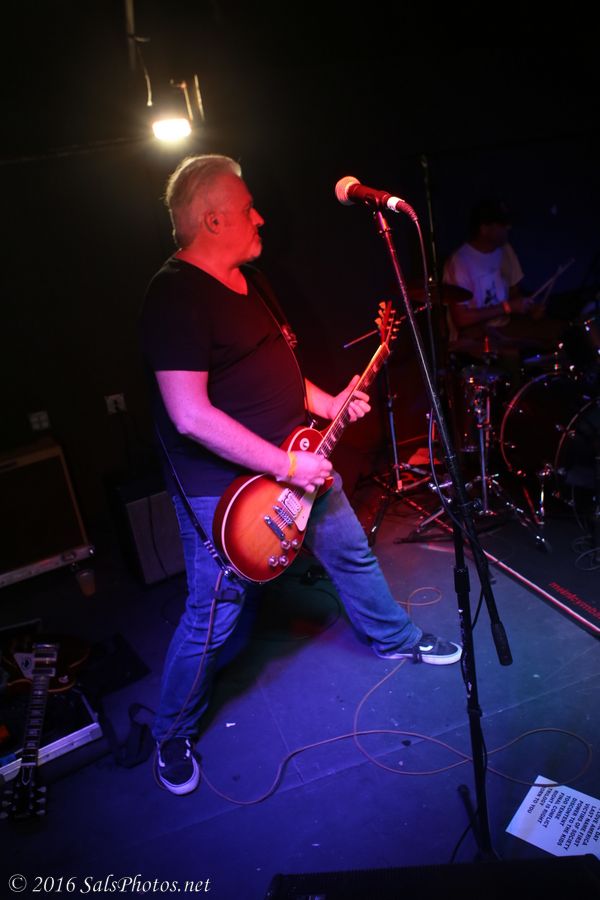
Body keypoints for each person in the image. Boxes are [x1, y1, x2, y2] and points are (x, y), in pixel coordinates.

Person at [140, 154, 461, 796]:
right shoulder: (174, 295)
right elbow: (188, 415)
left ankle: (394, 637)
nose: (260, 217)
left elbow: (280, 372)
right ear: (213, 220)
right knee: (215, 611)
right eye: (248, 209)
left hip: (299, 457)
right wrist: (287, 465)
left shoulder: (253, 281)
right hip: (227, 491)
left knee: (349, 551)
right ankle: (170, 731)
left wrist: (327, 401)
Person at [443, 199, 562, 363]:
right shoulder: (460, 262)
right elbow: (461, 318)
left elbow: (514, 292)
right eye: (502, 224)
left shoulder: (505, 250)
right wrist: (507, 307)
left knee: (559, 333)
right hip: (474, 334)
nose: (508, 228)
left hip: (504, 326)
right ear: (485, 229)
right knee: (512, 356)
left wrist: (530, 308)